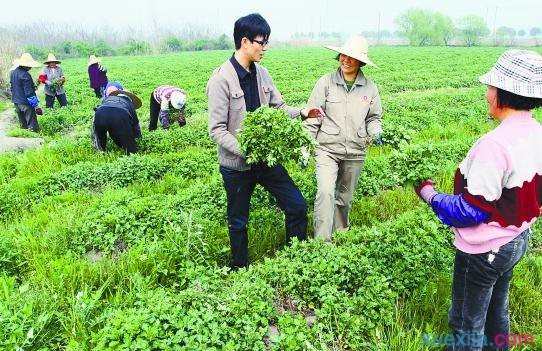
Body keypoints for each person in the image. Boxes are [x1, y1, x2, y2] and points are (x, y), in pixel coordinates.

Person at [415, 50, 542, 351]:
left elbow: (471, 209)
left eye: (490, 87)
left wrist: (429, 194)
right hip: (516, 240)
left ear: (503, 94)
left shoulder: (494, 145)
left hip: (485, 249)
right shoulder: (537, 133)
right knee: (497, 311)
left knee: (466, 323)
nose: (487, 94)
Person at [207, 13, 321, 269]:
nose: (265, 47)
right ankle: (240, 269)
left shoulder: (263, 74)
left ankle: (296, 259)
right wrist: (247, 149)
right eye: (262, 41)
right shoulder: (220, 79)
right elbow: (216, 130)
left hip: (266, 160)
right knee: (238, 221)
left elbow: (277, 107)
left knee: (297, 206)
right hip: (237, 165)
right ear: (245, 41)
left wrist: (302, 112)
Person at [304, 35, 383, 241]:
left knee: (344, 198)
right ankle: (322, 242)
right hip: (327, 149)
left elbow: (373, 117)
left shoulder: (370, 87)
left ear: (360, 62)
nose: (346, 60)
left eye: (352, 57)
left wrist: (376, 131)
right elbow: (313, 116)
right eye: (343, 56)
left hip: (356, 151)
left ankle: (340, 235)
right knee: (325, 193)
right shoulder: (326, 83)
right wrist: (305, 145)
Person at [92, 82, 142, 155]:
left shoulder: (108, 98)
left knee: (100, 135)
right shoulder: (129, 103)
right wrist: (138, 137)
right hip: (120, 113)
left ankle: (101, 150)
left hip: (100, 112)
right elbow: (135, 124)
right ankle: (131, 153)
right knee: (128, 141)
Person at [9, 53, 43, 132]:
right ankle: (34, 141)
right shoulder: (25, 75)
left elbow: (12, 87)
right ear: (25, 65)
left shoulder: (13, 72)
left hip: (16, 102)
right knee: (32, 126)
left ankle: (22, 139)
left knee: (23, 125)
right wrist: (36, 106)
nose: (30, 67)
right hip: (25, 103)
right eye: (29, 65)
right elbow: (29, 93)